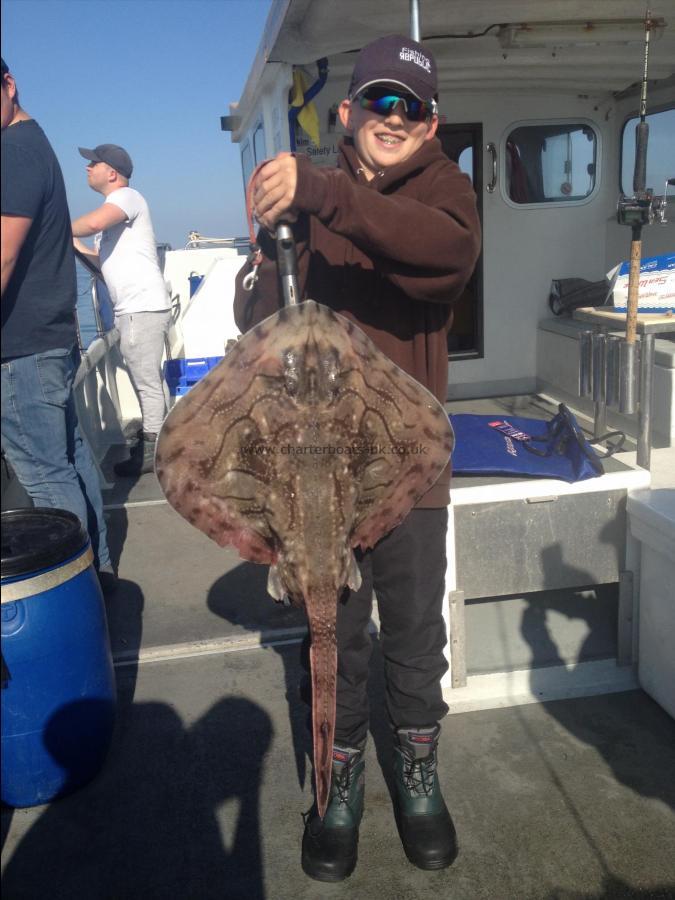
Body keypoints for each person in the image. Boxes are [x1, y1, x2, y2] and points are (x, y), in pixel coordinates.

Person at [233, 35, 481, 882]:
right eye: (378, 101)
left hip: (410, 469)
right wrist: (270, 246)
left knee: (414, 637)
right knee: (332, 636)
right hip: (317, 476)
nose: (392, 118)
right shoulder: (308, 197)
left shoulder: (444, 192)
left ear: (430, 122)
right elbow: (258, 329)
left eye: (409, 106)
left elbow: (443, 261)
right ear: (348, 112)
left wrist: (330, 196)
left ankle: (415, 774)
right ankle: (338, 785)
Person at [1, 57, 115, 590]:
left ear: (9, 84)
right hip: (49, 339)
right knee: (72, 460)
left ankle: (76, 592)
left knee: (46, 477)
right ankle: (101, 573)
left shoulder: (14, 153)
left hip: (21, 349)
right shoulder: (36, 144)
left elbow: (3, 257)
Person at [71, 143, 171, 477]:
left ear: (112, 173)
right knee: (146, 379)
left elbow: (92, 222)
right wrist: (73, 245)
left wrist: (54, 225)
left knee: (146, 382)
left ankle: (155, 452)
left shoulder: (126, 197)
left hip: (143, 307)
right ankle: (160, 439)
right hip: (133, 309)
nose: (87, 168)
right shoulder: (115, 209)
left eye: (93, 163)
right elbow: (103, 267)